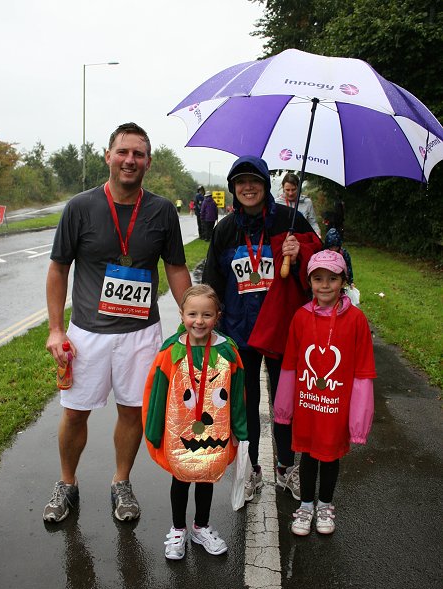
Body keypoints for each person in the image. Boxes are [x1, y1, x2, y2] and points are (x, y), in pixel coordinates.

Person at [43, 122, 191, 523]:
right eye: (123, 152)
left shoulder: (161, 211)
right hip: (87, 333)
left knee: (133, 413)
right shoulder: (80, 207)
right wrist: (56, 329)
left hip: (141, 335)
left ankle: (121, 483)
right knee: (75, 413)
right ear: (108, 156)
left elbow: (176, 268)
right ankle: (66, 483)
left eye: (138, 154)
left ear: (148, 162)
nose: (130, 160)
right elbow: (59, 268)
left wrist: (191, 315)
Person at [202, 155, 322, 502]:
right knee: (245, 402)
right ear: (233, 188)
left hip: (282, 330)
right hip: (240, 335)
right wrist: (208, 326)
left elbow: (323, 266)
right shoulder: (225, 229)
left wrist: (300, 252)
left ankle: (286, 468)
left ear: (265, 185)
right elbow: (212, 280)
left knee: (284, 404)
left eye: (254, 180)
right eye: (240, 182)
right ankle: (252, 468)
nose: (248, 187)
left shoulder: (289, 219)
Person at [274, 250, 376, 536]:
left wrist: (358, 419)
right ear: (309, 282)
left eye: (332, 278)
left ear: (343, 280)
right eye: (318, 278)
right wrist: (283, 408)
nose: (325, 285)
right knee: (307, 455)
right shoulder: (300, 317)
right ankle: (306, 505)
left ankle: (325, 505)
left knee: (330, 457)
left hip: (336, 406)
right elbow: (291, 364)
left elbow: (364, 371)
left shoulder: (356, 320)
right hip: (308, 405)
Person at [142, 284, 248, 560]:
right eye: (192, 314)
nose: (198, 321)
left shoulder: (228, 352)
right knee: (181, 478)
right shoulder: (170, 352)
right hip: (180, 431)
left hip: (215, 430)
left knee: (206, 477)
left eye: (206, 315)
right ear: (181, 315)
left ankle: (201, 526)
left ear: (217, 316)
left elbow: (237, 394)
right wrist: (155, 432)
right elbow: (157, 392)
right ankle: (178, 529)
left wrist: (240, 430)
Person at [275, 172, 321, 238]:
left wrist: (317, 233)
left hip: (303, 239)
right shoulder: (276, 203)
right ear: (283, 188)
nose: (290, 193)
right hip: (283, 241)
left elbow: (313, 222)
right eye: (287, 190)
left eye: (293, 189)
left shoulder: (307, 202)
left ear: (298, 188)